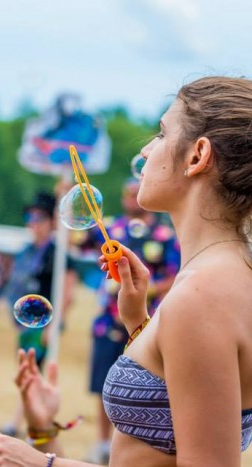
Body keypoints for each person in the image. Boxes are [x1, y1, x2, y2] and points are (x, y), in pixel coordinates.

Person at [0, 75, 252, 466]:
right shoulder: (232, 277)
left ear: (197, 156)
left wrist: (40, 463)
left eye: (160, 133)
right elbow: (170, 419)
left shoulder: (204, 297)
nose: (146, 148)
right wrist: (139, 323)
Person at [86, 178, 180, 464]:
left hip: (148, 323)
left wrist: (148, 290)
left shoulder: (164, 235)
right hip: (108, 321)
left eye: (134, 193)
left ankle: (135, 447)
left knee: (147, 388)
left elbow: (176, 274)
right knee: (104, 384)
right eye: (126, 193)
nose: (129, 198)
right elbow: (78, 239)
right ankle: (103, 444)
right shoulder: (111, 230)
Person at [0, 191, 76, 438]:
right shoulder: (27, 251)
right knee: (27, 370)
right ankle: (26, 420)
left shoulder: (58, 254)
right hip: (27, 324)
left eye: (39, 217)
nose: (33, 222)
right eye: (29, 216)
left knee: (34, 372)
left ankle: (19, 422)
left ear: (51, 221)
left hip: (45, 324)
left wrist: (55, 326)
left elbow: (67, 292)